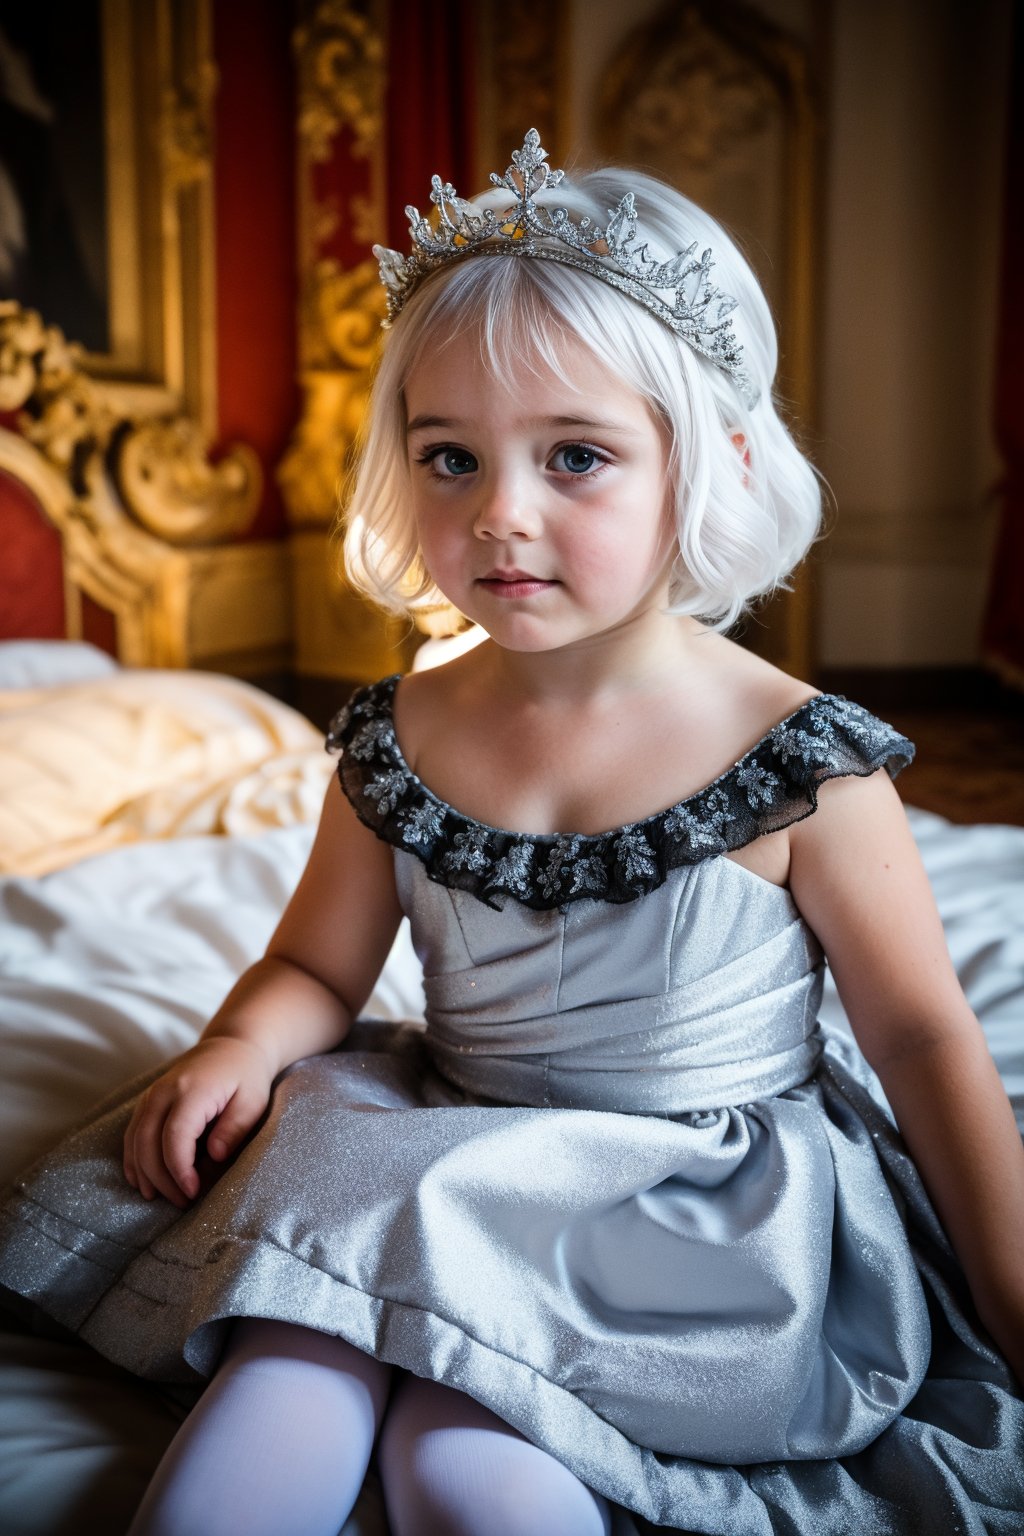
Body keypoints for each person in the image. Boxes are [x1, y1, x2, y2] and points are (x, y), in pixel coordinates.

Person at [2, 130, 1022, 1536]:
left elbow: (921, 1041)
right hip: (457, 1147)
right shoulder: (405, 733)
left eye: (578, 457)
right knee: (290, 1356)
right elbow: (316, 967)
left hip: (686, 1222)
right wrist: (243, 1042)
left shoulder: (801, 764)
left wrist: (1011, 1295)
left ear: (707, 468)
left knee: (466, 1463)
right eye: (451, 457)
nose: (503, 514)